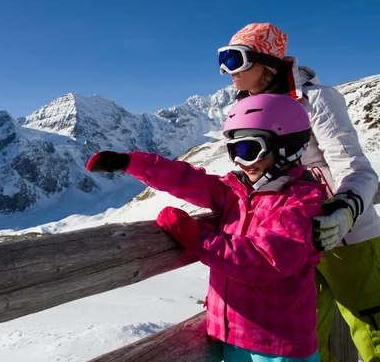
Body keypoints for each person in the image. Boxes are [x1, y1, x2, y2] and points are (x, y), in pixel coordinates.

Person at [161, 23, 380, 362]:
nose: (224, 71)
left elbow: (358, 170)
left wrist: (345, 210)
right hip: (287, 241)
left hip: (347, 238)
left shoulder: (317, 101)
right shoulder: (246, 108)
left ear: (265, 63)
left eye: (234, 60)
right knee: (311, 337)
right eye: (223, 59)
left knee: (372, 328)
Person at [87, 93, 326, 361]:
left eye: (248, 150)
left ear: (287, 146)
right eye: (233, 150)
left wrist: (198, 238)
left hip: (277, 347)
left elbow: (267, 261)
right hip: (233, 337)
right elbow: (190, 181)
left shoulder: (298, 201)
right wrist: (132, 163)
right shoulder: (240, 192)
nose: (239, 161)